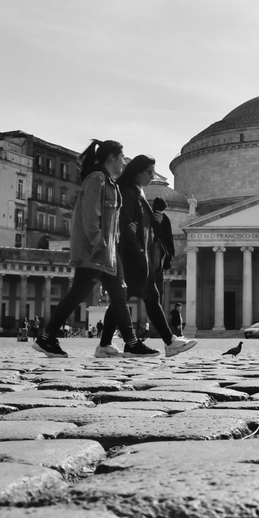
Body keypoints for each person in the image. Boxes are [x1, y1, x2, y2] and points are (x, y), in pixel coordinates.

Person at [35, 139, 157, 358]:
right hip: (96, 250)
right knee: (78, 294)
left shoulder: (109, 182)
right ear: (112, 157)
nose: (123, 161)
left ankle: (131, 343)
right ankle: (46, 338)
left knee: (120, 293)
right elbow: (90, 216)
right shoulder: (97, 178)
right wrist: (98, 243)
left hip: (109, 250)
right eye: (121, 157)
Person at [116, 156, 196, 358]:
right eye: (149, 172)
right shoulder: (128, 193)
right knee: (140, 297)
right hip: (135, 256)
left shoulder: (138, 192)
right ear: (137, 171)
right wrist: (137, 252)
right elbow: (126, 225)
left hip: (140, 254)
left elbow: (141, 226)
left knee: (140, 297)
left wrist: (155, 221)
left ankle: (112, 343)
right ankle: (166, 342)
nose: (153, 176)